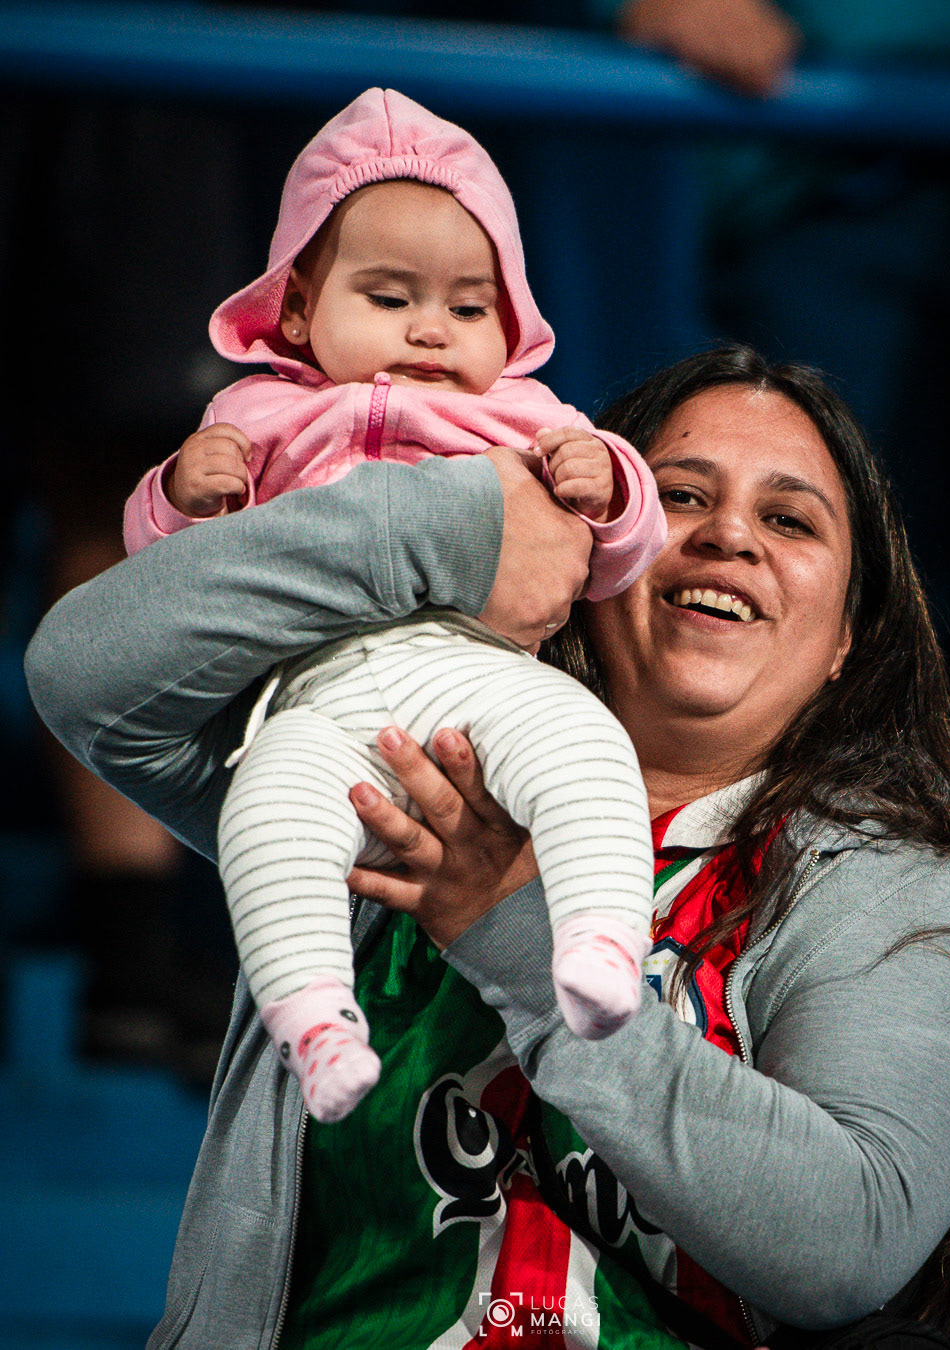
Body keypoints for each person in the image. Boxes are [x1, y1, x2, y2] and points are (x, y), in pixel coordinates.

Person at [24, 345, 950, 1348]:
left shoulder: (883, 888)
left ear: (845, 641)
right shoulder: (400, 770)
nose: (730, 536)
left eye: (789, 520)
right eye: (680, 497)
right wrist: (462, 528)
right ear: (595, 552)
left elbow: (848, 1244)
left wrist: (515, 934)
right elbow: (86, 672)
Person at [120, 88, 666, 1121]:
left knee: (584, 741)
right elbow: (162, 584)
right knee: (268, 815)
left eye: (469, 309)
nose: (429, 330)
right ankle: (315, 1021)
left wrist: (610, 484)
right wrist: (179, 494)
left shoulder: (527, 416)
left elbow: (620, 555)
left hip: (479, 678)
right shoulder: (254, 415)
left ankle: (600, 943)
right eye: (387, 297)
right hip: (312, 701)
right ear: (295, 311)